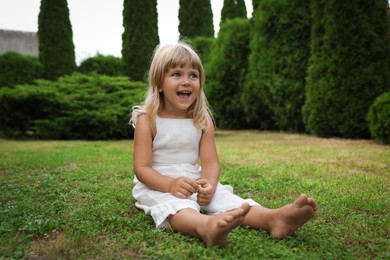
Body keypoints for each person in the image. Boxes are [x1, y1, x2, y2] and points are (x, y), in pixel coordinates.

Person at [131, 42, 318, 247]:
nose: (186, 81)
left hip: (194, 179)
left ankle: (272, 218)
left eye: (193, 75)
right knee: (176, 207)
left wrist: (209, 185)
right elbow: (142, 168)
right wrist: (169, 184)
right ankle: (205, 227)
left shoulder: (201, 120)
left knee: (225, 199)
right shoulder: (147, 119)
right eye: (176, 74)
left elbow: (210, 163)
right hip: (157, 183)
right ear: (159, 83)